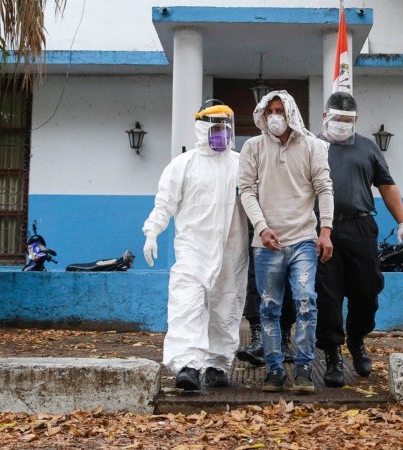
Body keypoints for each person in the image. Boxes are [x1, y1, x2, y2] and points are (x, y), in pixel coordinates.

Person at [142, 100, 248, 391]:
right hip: (192, 248)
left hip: (231, 247)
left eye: (226, 127)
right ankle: (187, 365)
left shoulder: (240, 164)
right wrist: (152, 231)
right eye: (215, 127)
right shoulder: (183, 165)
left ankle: (218, 365)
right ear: (202, 128)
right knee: (186, 304)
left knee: (226, 306)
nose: (222, 133)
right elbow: (165, 203)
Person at [315, 91, 403, 388]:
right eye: (337, 119)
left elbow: (387, 186)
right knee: (328, 296)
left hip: (360, 229)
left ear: (356, 120)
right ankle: (332, 354)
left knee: (367, 292)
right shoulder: (311, 146)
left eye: (349, 120)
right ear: (325, 118)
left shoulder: (368, 148)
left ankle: (356, 339)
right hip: (323, 231)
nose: (343, 125)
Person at [237, 90, 334, 393]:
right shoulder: (252, 147)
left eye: (280, 110)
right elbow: (246, 191)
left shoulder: (313, 146)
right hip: (266, 244)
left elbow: (324, 188)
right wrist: (262, 228)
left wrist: (326, 230)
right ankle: (274, 370)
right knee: (269, 308)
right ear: (262, 115)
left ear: (290, 112)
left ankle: (304, 369)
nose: (275, 116)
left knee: (306, 302)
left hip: (304, 239)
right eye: (270, 111)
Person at [235, 221, 296, 367]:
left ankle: (283, 340)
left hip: (290, 226)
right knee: (255, 279)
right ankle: (258, 339)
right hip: (256, 227)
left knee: (287, 281)